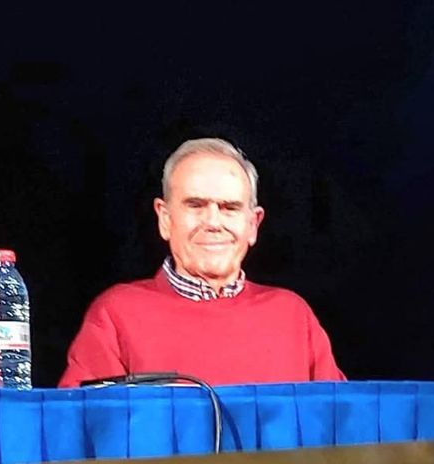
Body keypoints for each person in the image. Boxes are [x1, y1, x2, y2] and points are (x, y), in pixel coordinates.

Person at [58, 138, 345, 387]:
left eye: (229, 208)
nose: (212, 222)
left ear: (253, 224)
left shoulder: (293, 315)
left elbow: (344, 433)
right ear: (165, 219)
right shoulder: (115, 315)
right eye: (195, 205)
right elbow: (80, 434)